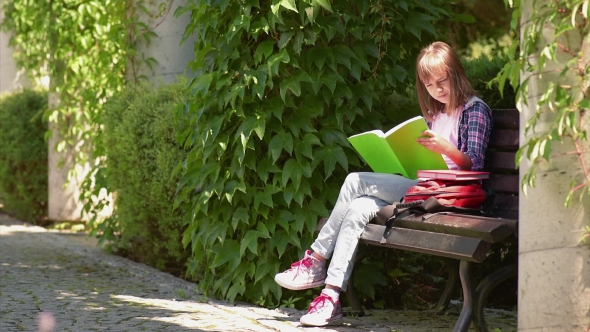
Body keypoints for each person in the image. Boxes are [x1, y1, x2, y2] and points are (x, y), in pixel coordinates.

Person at [274, 41, 493, 327]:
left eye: (442, 81)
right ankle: (330, 297)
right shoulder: (437, 114)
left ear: (457, 73)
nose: (437, 90)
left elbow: (474, 164)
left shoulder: (474, 110)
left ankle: (315, 258)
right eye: (429, 85)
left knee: (354, 181)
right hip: (420, 185)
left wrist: (444, 148)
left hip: (442, 194)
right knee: (358, 208)